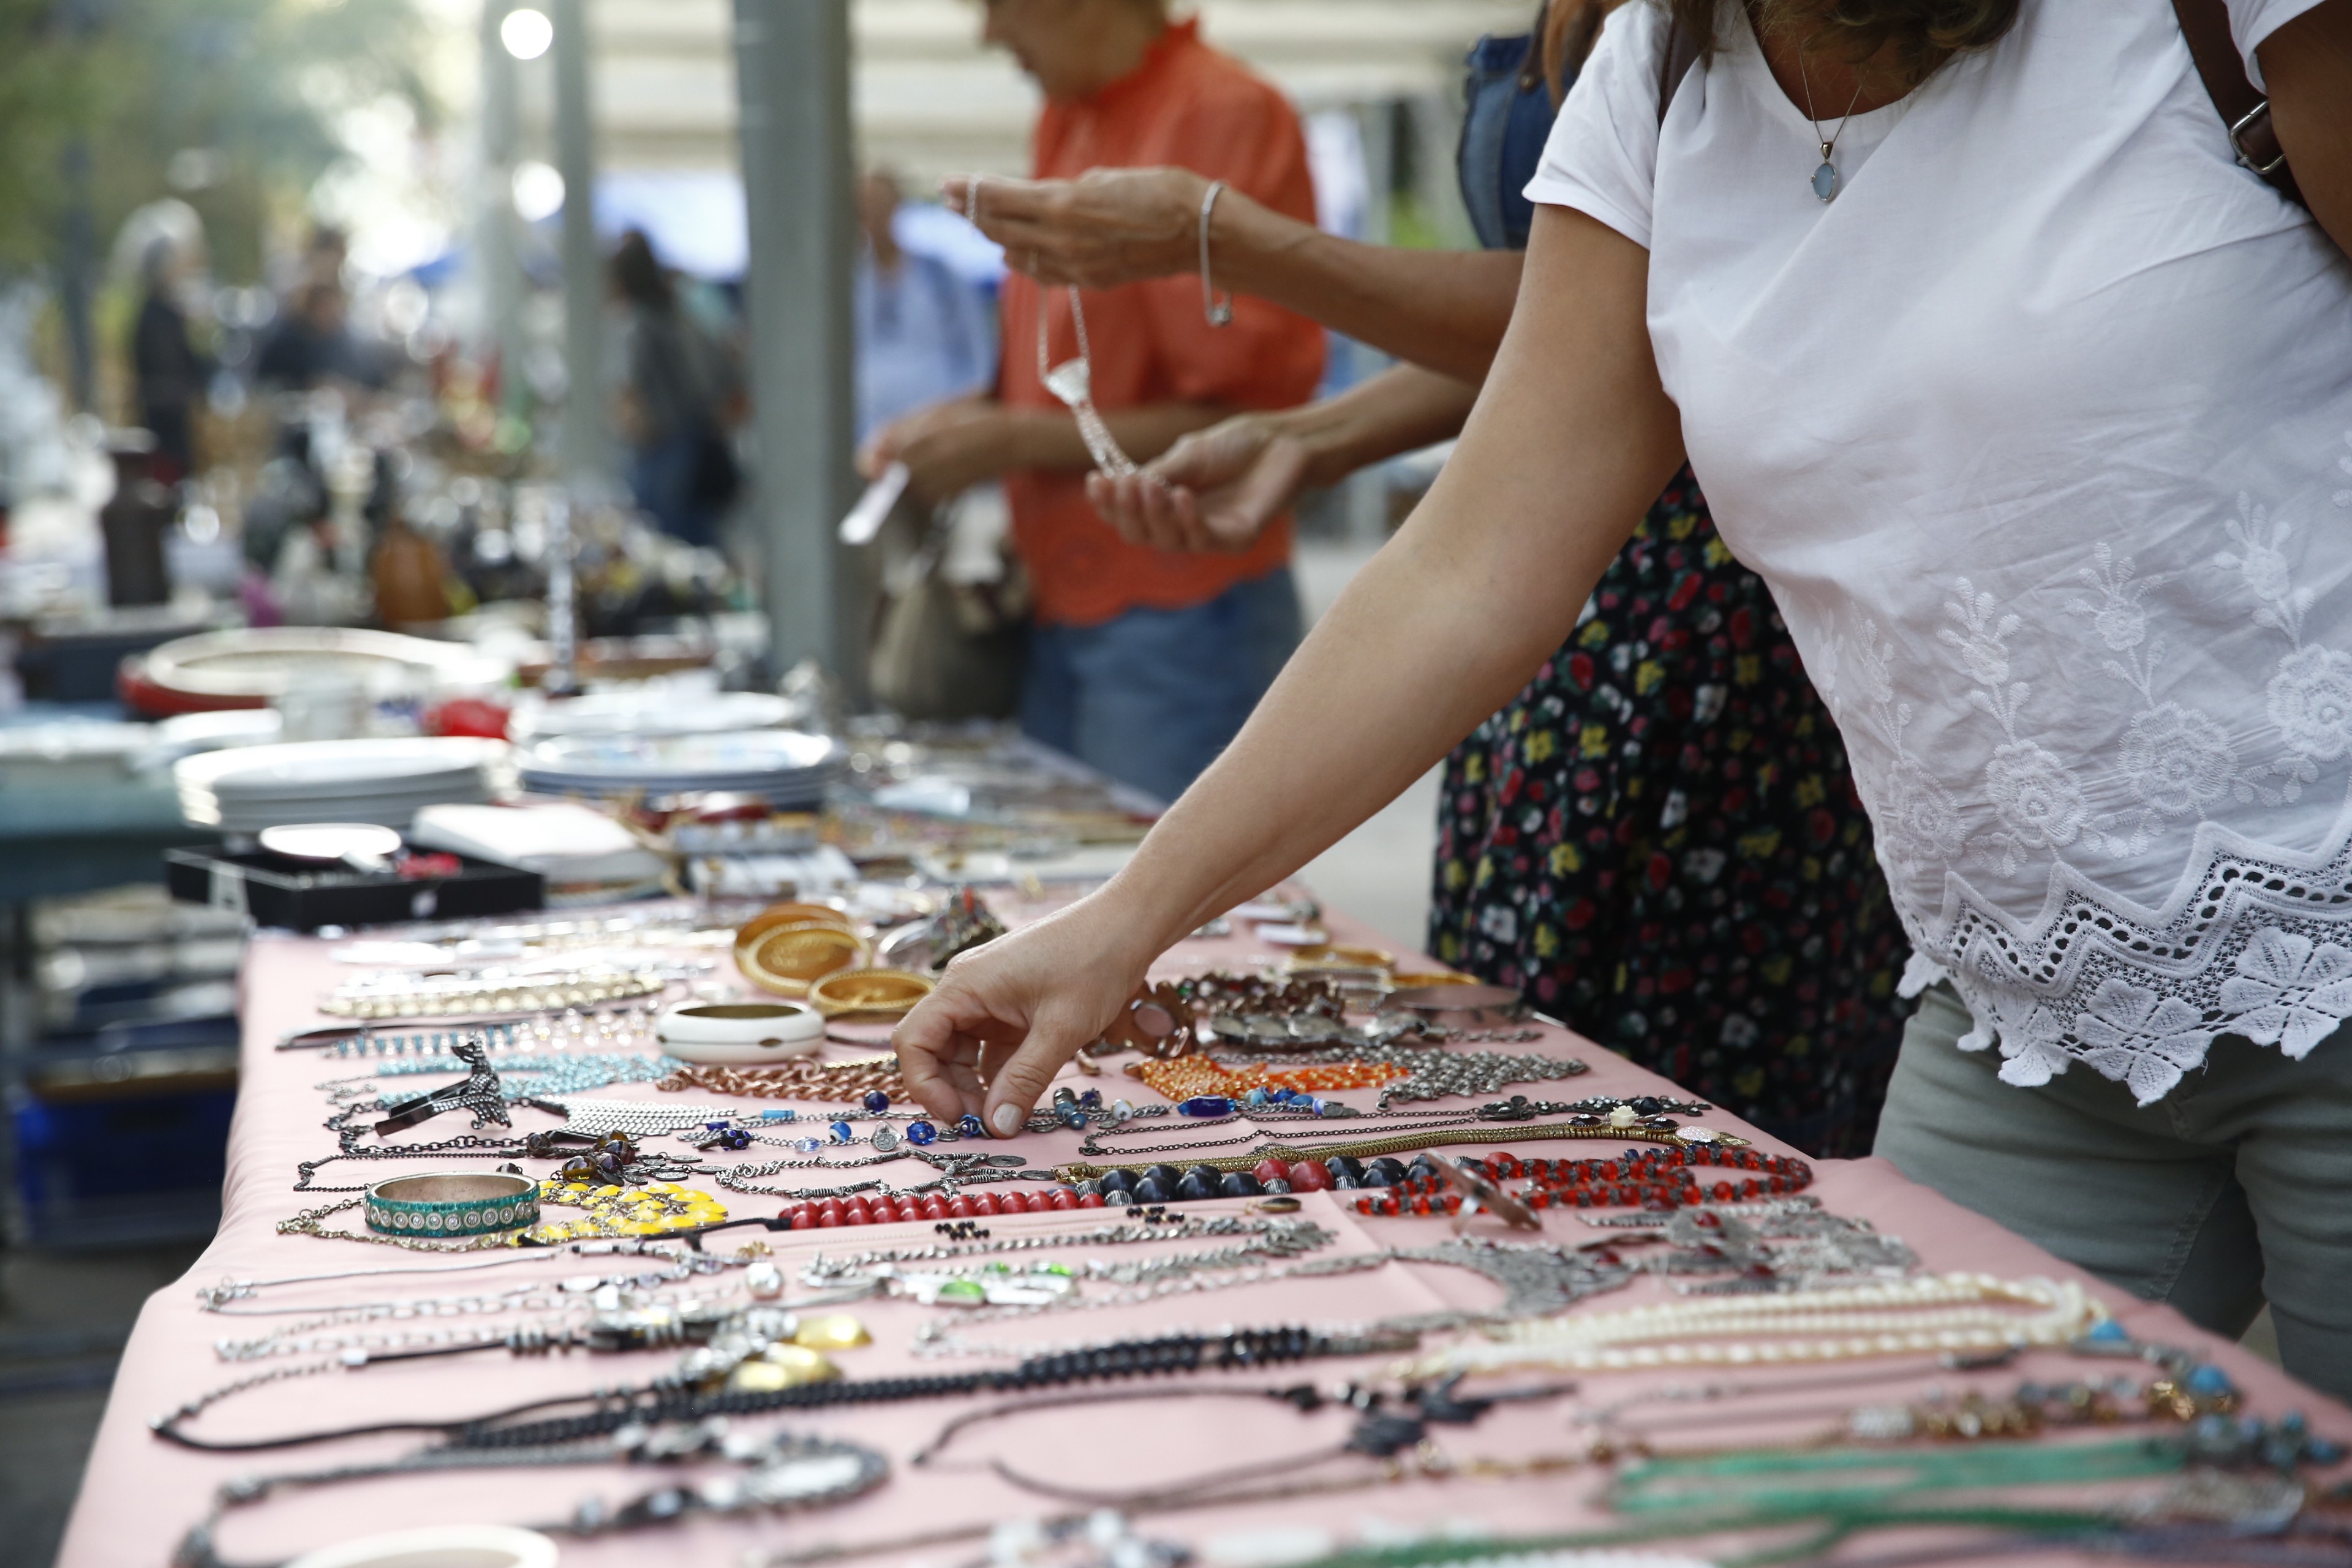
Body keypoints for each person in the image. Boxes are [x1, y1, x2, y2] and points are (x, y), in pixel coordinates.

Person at [896, 0, 2352, 1396]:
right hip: (2023, 1007)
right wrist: (1127, 917)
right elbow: (1471, 563)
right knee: (1919, 1486)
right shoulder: (1658, 68)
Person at [941, 0, 1905, 1155]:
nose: (987, 37)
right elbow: (1583, 331)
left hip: (1700, 649)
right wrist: (1324, 434)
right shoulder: (1641, 49)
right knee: (1530, 1088)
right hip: (1542, 625)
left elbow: (1660, 305)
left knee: (1708, 1131)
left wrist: (1228, 243)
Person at [860, 0, 1325, 805]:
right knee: (1072, 895)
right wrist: (962, 424)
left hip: (1183, 606)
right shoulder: (1068, 122)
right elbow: (1068, 377)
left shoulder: (1225, 115)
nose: (990, 34)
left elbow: (1253, 420)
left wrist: (1010, 440)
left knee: (1179, 918)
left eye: (999, 6)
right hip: (1053, 600)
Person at [609, 228, 737, 549]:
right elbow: (717, 373)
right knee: (696, 536)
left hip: (663, 447)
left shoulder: (639, 323)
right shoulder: (679, 313)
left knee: (666, 538)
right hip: (692, 437)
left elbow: (630, 390)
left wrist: (634, 421)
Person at [855, 169, 997, 446]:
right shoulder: (850, 280)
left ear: (896, 206)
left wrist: (965, 410)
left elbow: (978, 349)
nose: (873, 216)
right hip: (865, 427)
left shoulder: (939, 276)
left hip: (933, 419)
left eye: (879, 205)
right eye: (864, 208)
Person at [130, 237, 211, 483]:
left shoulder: (167, 312)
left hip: (175, 415)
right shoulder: (155, 316)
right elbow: (166, 366)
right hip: (164, 419)